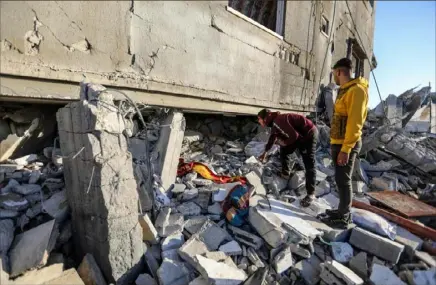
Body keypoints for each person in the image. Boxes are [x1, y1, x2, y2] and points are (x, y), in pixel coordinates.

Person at [320, 58, 369, 228]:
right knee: (340, 179)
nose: (333, 76)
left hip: (345, 144)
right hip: (339, 142)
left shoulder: (357, 91)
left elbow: (355, 123)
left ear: (339, 72)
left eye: (334, 73)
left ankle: (344, 217)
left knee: (344, 180)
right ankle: (341, 210)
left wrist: (346, 149)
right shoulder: (345, 90)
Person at [257, 109, 318, 206]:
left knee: (309, 163)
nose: (259, 122)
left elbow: (294, 136)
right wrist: (265, 152)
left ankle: (311, 195)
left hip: (308, 134)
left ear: (265, 118)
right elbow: (273, 138)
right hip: (300, 136)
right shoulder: (275, 122)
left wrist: (284, 143)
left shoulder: (278, 121)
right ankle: (286, 174)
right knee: (284, 149)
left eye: (259, 119)